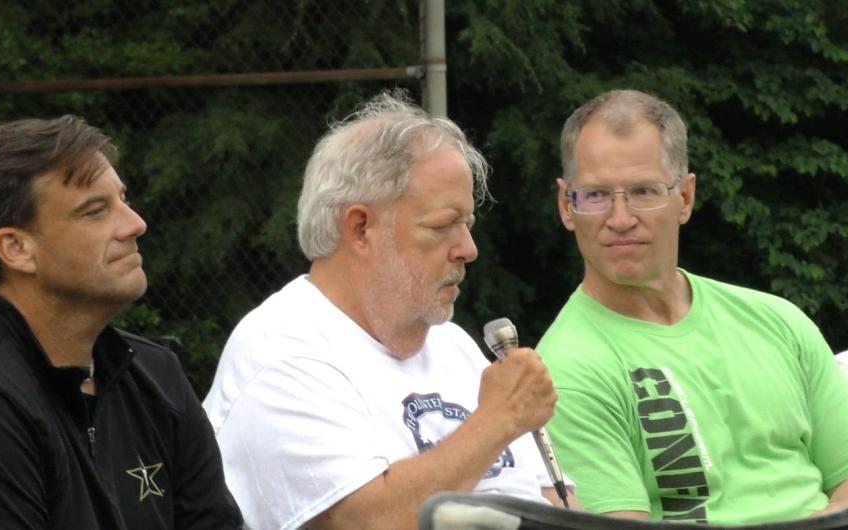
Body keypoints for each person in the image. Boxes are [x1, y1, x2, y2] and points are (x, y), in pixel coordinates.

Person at [202, 91, 573, 530]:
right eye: (441, 227)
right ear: (360, 228)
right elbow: (365, 523)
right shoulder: (281, 353)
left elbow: (557, 503)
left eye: (468, 225)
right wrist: (498, 420)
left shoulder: (452, 345)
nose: (469, 250)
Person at [0, 116, 242, 529]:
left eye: (123, 200)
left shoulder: (155, 376)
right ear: (17, 248)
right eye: (95, 211)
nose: (135, 224)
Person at [538, 89, 848, 525]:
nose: (620, 218)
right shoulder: (565, 372)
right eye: (595, 195)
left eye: (643, 191)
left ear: (685, 198)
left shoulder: (778, 322)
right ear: (566, 206)